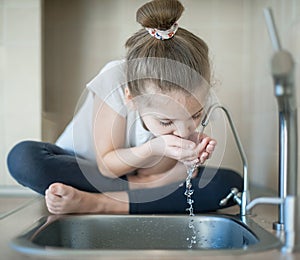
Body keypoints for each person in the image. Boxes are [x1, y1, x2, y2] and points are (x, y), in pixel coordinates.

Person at [7, 0, 242, 215]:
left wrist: (188, 161)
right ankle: (133, 199)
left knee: (230, 184)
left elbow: (160, 174)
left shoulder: (197, 92)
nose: (183, 131)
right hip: (86, 168)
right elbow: (108, 167)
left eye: (195, 115)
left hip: (137, 178)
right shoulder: (116, 80)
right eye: (166, 122)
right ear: (132, 98)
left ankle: (94, 203)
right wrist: (154, 151)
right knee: (24, 158)